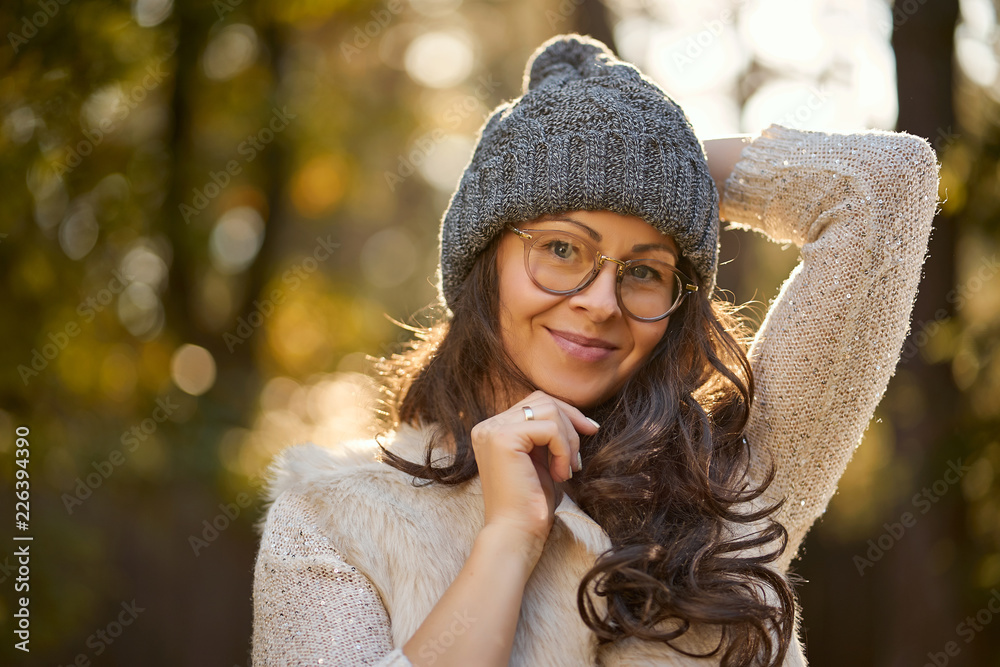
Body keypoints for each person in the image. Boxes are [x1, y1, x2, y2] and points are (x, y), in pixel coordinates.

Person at [250, 33, 939, 666]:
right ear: (484, 259)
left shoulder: (732, 481)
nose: (601, 301)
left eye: (643, 270)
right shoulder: (331, 518)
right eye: (560, 248)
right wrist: (508, 539)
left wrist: (655, 157)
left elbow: (885, 189)